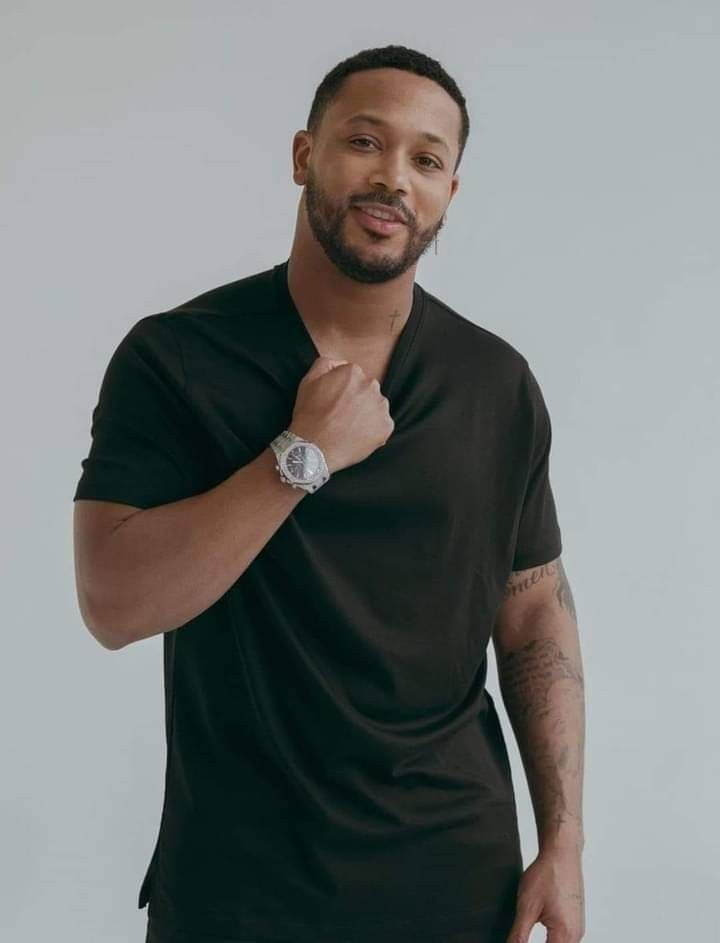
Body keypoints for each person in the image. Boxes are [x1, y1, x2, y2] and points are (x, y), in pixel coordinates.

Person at [73, 43, 586, 943]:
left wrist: (564, 842)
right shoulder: (177, 359)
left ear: (449, 195)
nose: (394, 178)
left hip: (456, 885)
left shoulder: (495, 383)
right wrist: (299, 454)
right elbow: (113, 604)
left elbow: (534, 608)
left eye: (427, 159)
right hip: (238, 891)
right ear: (304, 156)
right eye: (364, 141)